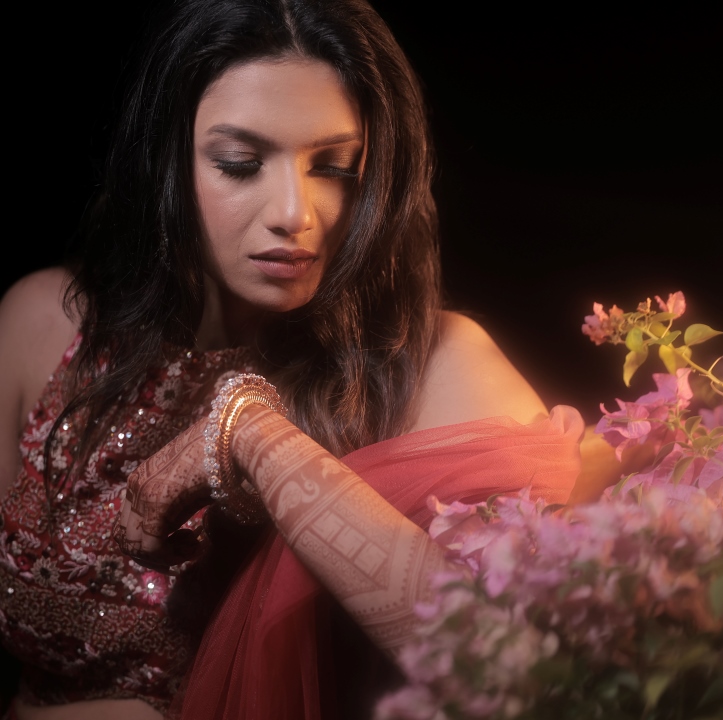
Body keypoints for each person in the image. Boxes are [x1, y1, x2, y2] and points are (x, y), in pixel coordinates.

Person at [0, 1, 589, 718]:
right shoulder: (48, 325)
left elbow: (502, 668)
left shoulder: (432, 360)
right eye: (240, 164)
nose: (294, 212)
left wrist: (250, 433)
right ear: (164, 162)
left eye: (333, 167)